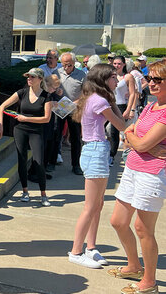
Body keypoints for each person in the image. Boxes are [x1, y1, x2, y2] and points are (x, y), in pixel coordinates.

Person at [109, 60, 166, 294]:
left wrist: (137, 142)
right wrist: (136, 142)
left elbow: (137, 140)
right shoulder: (150, 106)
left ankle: (149, 281)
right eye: (149, 78)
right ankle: (134, 265)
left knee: (143, 228)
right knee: (118, 221)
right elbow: (129, 134)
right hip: (132, 169)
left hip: (152, 174)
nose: (151, 83)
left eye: (157, 80)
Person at [68, 64, 126, 269]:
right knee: (90, 206)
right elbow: (121, 125)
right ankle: (76, 251)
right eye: (113, 77)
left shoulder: (96, 98)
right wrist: (116, 103)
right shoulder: (99, 100)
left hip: (95, 151)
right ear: (103, 79)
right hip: (95, 152)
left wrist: (112, 99)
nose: (117, 81)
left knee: (98, 204)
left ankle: (91, 247)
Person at [0, 68, 52, 206]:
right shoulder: (22, 92)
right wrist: (0, 124)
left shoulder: (46, 96)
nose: (29, 79)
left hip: (36, 131)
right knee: (21, 160)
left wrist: (26, 119)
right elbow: (2, 106)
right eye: (27, 76)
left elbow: (46, 119)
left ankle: (43, 194)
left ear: (39, 79)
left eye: (32, 77)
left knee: (39, 161)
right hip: (20, 130)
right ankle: (25, 191)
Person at [52, 52, 86, 175]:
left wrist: (77, 102)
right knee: (56, 135)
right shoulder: (56, 73)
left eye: (70, 65)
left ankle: (76, 165)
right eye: (65, 65)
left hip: (74, 108)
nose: (67, 68)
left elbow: (86, 92)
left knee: (76, 137)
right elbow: (50, 87)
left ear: (74, 63)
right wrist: (56, 92)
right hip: (60, 107)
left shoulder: (81, 75)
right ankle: (52, 161)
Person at [108, 55, 137, 166]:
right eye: (115, 63)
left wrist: (130, 109)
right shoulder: (110, 75)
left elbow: (133, 94)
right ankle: (109, 153)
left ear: (124, 64)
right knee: (108, 132)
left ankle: (112, 155)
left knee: (117, 132)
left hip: (121, 106)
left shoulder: (128, 77)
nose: (117, 65)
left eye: (119, 63)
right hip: (109, 105)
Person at [43, 74, 62, 174]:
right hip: (45, 125)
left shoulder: (52, 93)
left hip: (53, 125)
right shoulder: (43, 93)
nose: (55, 90)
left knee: (50, 147)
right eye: (54, 88)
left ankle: (45, 169)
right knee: (44, 149)